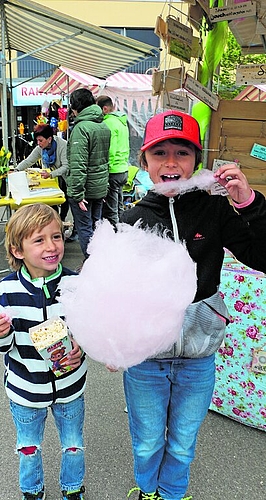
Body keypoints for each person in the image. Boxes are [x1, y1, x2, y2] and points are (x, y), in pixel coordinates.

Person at [120, 110, 266, 500]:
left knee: (183, 441)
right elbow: (115, 292)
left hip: (198, 354)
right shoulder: (131, 219)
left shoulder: (215, 209)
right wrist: (113, 341)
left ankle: (172, 493)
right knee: (148, 442)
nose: (171, 162)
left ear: (197, 162)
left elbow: (262, 255)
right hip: (146, 359)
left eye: (182, 153)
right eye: (160, 153)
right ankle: (148, 491)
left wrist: (249, 203)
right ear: (145, 162)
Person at [0, 203, 87, 500]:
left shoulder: (74, 285)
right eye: (39, 240)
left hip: (70, 387)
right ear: (18, 250)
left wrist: (82, 348)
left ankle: (72, 489)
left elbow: (90, 332)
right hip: (26, 390)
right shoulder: (6, 292)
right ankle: (31, 491)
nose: (51, 246)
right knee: (28, 448)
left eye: (56, 236)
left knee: (74, 444)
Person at [67, 88, 111, 259]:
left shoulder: (81, 128)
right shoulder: (103, 126)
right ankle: (99, 263)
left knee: (85, 228)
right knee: (96, 227)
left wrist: (77, 194)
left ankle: (93, 265)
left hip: (84, 190)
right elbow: (104, 160)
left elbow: (78, 164)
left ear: (76, 107)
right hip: (99, 188)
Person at [16, 124, 69, 222]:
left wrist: (51, 174)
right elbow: (29, 161)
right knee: (52, 201)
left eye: (41, 140)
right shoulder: (40, 148)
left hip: (66, 176)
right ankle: (54, 220)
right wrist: (16, 170)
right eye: (37, 140)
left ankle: (62, 220)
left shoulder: (63, 145)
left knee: (66, 199)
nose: (38, 143)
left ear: (49, 139)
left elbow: (66, 166)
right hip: (53, 177)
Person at [96, 95, 129, 226]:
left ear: (104, 109)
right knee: (119, 207)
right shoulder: (121, 122)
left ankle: (116, 236)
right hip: (123, 169)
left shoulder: (108, 123)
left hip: (113, 170)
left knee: (111, 210)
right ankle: (122, 230)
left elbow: (111, 150)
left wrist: (104, 167)